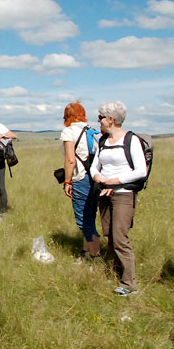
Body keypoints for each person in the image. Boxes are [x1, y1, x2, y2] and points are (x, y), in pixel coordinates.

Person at [90, 101, 146, 296]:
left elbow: (141, 170)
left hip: (123, 194)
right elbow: (94, 165)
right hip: (104, 192)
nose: (98, 121)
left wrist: (115, 180)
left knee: (120, 237)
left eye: (100, 117)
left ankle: (129, 284)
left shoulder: (132, 140)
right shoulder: (103, 141)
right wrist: (97, 177)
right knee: (109, 236)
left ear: (111, 119)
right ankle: (117, 273)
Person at [60, 103, 100, 259]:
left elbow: (70, 160)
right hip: (95, 178)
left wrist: (67, 182)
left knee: (84, 221)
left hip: (80, 178)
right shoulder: (91, 130)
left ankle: (95, 256)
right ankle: (86, 253)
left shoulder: (69, 132)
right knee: (90, 216)